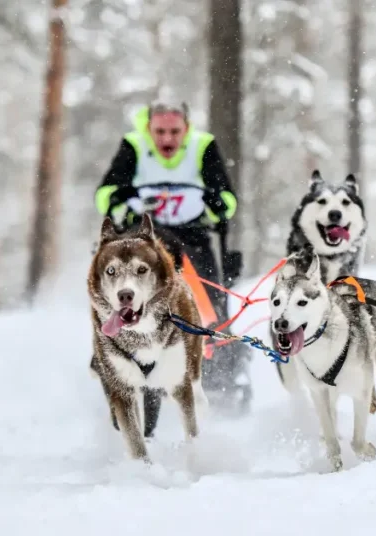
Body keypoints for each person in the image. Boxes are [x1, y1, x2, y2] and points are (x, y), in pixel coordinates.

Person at [94, 100, 252, 415]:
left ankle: (218, 375)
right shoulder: (134, 146)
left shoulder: (202, 146)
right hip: (141, 241)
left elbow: (227, 199)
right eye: (160, 131)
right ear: (149, 129)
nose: (167, 139)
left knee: (209, 308)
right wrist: (124, 200)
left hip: (192, 239)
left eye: (174, 131)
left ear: (187, 129)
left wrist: (212, 201)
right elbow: (104, 194)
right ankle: (120, 359)